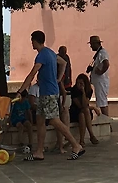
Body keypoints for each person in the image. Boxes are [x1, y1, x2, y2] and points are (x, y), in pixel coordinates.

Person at [21, 30, 83, 160]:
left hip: (48, 93)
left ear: (35, 41)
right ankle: (39, 152)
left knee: (54, 120)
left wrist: (20, 91)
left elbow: (32, 74)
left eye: (32, 41)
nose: (31, 43)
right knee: (40, 120)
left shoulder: (41, 56)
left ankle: (76, 145)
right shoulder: (50, 53)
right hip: (47, 92)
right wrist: (58, 79)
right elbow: (63, 63)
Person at [69, 73, 95, 148]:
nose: (79, 85)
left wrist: (83, 92)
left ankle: (82, 140)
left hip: (85, 112)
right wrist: (93, 108)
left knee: (83, 114)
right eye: (78, 83)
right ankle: (91, 135)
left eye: (81, 83)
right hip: (75, 111)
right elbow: (80, 106)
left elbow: (85, 104)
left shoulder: (89, 90)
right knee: (82, 113)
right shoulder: (74, 90)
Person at [55, 45, 74, 153]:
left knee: (61, 115)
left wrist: (62, 104)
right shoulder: (61, 59)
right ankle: (63, 142)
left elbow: (63, 91)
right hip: (59, 92)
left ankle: (63, 142)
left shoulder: (64, 59)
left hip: (61, 91)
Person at [87, 35, 111, 120]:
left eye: (91, 44)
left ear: (95, 44)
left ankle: (106, 119)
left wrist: (101, 72)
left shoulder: (102, 53)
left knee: (102, 101)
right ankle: (105, 119)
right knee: (101, 100)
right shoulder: (99, 53)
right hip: (99, 81)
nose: (90, 46)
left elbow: (106, 63)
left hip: (101, 81)